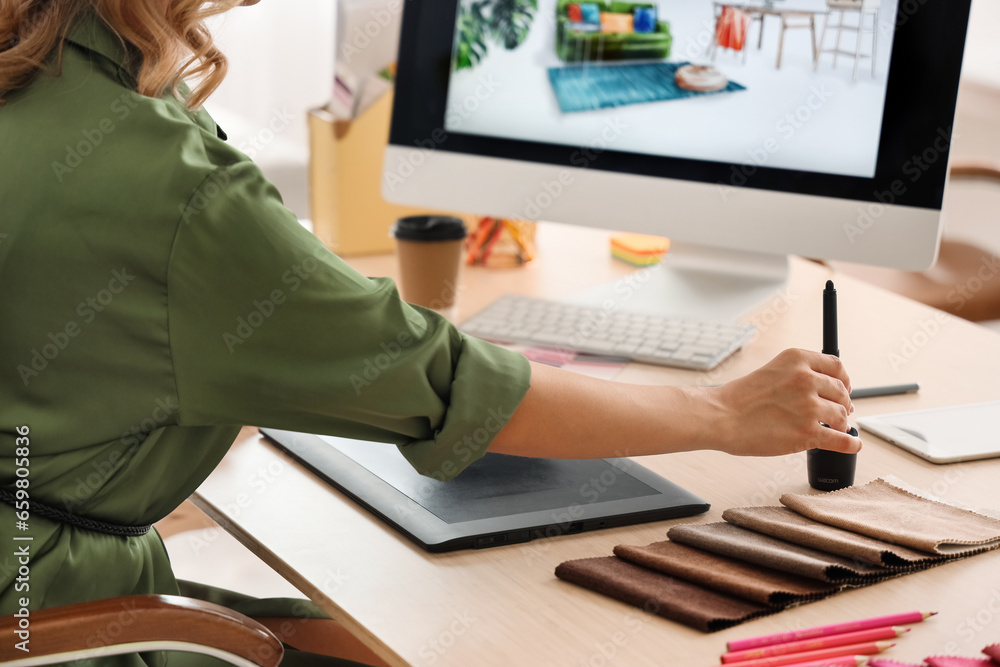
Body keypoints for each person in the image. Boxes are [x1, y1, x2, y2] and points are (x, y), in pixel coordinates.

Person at [0, 1, 861, 665]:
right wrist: (721, 414)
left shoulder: (34, 76)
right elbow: (445, 387)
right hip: (53, 616)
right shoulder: (167, 181)